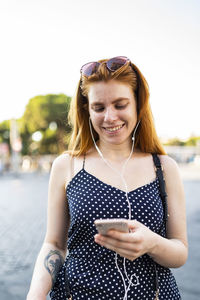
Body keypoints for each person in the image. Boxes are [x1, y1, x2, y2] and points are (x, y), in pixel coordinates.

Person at [27, 56, 188, 300]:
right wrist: (35, 295)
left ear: (138, 104)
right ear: (87, 110)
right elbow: (54, 245)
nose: (109, 117)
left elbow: (180, 251)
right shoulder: (67, 165)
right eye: (99, 108)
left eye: (120, 105)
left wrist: (152, 244)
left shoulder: (164, 168)